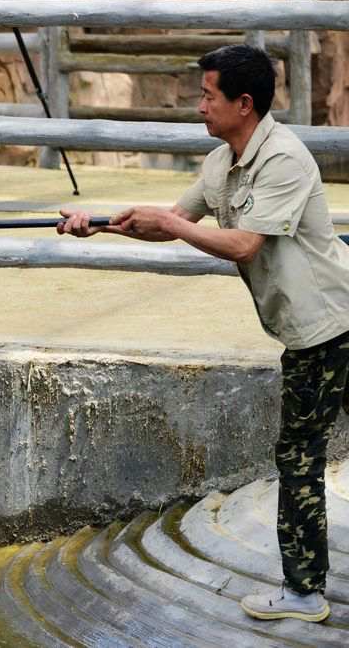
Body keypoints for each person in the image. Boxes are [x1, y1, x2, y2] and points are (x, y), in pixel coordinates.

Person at [59, 44, 349, 624]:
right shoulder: (222, 163)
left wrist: (167, 222)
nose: (199, 107)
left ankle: (303, 592)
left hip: (331, 328)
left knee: (298, 454)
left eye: (208, 96)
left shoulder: (285, 159)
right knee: (304, 451)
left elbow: (242, 243)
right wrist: (103, 225)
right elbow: (175, 225)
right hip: (318, 326)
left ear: (244, 103)